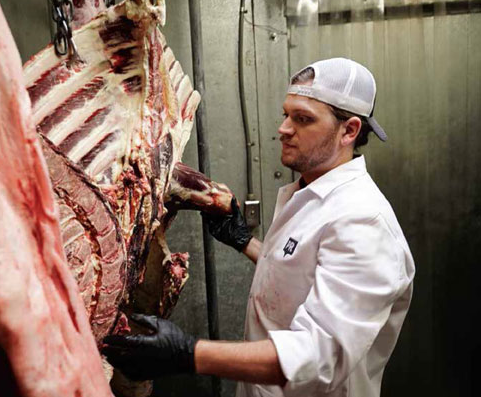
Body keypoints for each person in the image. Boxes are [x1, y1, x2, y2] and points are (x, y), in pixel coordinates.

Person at [102, 58, 415, 397]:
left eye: (303, 119)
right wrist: (244, 242)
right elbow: (301, 275)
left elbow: (318, 356)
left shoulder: (362, 221)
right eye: (286, 114)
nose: (284, 129)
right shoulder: (309, 193)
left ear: (349, 131)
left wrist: (188, 353)